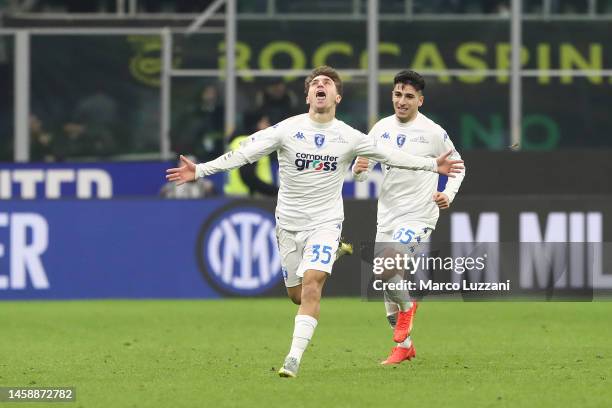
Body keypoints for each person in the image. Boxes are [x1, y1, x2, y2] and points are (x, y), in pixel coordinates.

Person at [166, 65, 464, 378]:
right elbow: (243, 154)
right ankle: (349, 272)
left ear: (337, 96)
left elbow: (392, 157)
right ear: (308, 95)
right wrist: (199, 171)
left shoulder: (350, 136)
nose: (320, 85)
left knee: (313, 288)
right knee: (297, 295)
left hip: (329, 222)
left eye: (327, 83)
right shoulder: (287, 129)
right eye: (315, 83)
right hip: (289, 223)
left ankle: (293, 358)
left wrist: (433, 165)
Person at [352, 70, 466, 365]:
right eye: (397, 94)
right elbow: (362, 174)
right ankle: (404, 345)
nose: (401, 101)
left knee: (387, 268)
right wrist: (360, 169)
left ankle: (408, 308)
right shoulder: (380, 129)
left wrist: (448, 195)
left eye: (409, 96)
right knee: (388, 281)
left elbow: (458, 166)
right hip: (387, 215)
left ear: (420, 100)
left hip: (419, 215)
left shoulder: (433, 132)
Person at [224, 110, 278, 197]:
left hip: (234, 197)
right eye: (265, 122)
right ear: (256, 124)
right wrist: (274, 191)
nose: (269, 126)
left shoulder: (236, 142)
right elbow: (248, 176)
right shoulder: (251, 143)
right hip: (251, 199)